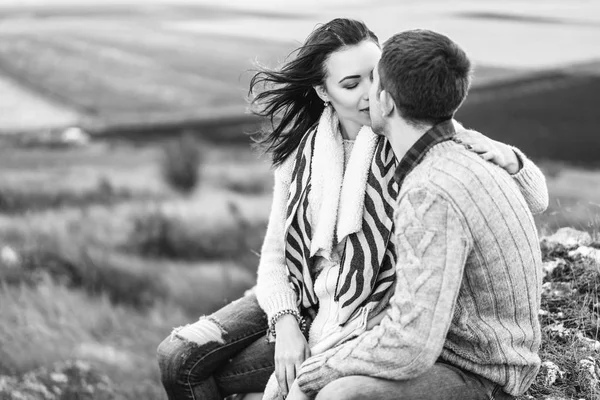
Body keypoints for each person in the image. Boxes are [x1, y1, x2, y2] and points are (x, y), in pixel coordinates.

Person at [157, 19, 547, 400]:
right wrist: (285, 321)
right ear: (323, 92)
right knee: (176, 357)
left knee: (212, 373)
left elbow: (532, 198)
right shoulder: (299, 155)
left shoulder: (418, 133)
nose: (369, 94)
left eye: (374, 78)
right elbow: (276, 255)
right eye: (350, 83)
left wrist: (512, 160)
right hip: (304, 292)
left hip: (364, 309)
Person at [286, 29, 543, 400]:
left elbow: (410, 346)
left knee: (340, 394)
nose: (365, 94)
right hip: (472, 354)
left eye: (374, 83)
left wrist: (312, 374)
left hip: (482, 374)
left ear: (386, 102)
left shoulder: (429, 190)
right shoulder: (460, 153)